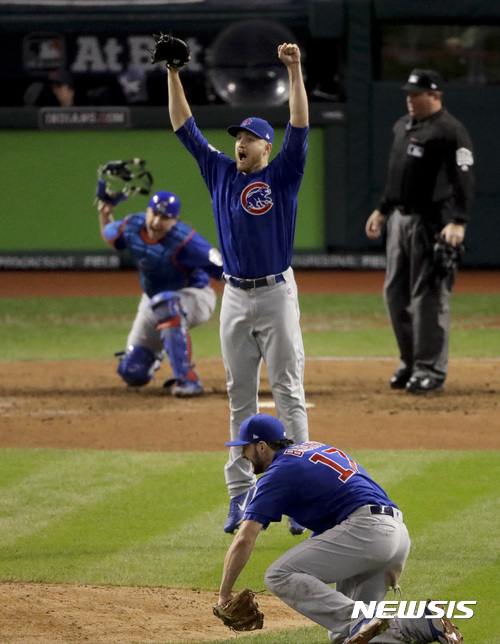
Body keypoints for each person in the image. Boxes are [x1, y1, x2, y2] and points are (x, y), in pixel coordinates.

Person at [167, 42, 310, 532]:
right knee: (239, 397)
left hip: (275, 294)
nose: (240, 142)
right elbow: (184, 127)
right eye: (238, 136)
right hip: (234, 295)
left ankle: (298, 494)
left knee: (289, 392)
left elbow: (299, 124)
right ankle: (239, 496)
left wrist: (293, 69)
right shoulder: (220, 173)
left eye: (250, 137)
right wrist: (172, 72)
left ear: (266, 147)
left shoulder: (284, 174)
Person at [217, 413, 463, 644]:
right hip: (395, 534)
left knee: (278, 574)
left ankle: (371, 619)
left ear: (261, 446)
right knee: (348, 634)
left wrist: (225, 594)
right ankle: (425, 623)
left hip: (367, 532)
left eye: (244, 448)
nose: (242, 455)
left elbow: (244, 538)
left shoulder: (278, 473)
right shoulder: (314, 448)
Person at [365, 69, 474, 395]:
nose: (410, 99)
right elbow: (397, 175)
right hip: (400, 219)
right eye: (408, 94)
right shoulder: (403, 125)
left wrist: (458, 220)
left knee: (427, 297)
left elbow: (464, 177)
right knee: (395, 295)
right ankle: (411, 361)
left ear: (435, 95)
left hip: (431, 221)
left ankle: (430, 369)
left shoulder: (450, 131)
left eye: (417, 94)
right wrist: (383, 209)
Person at [96, 186, 223, 397]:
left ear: (175, 220)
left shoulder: (187, 241)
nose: (156, 222)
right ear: (147, 211)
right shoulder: (131, 226)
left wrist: (242, 306)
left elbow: (224, 271)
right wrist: (105, 213)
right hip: (153, 299)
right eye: (154, 214)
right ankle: (160, 352)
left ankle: (188, 379)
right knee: (132, 371)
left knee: (166, 303)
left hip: (196, 296)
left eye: (165, 218)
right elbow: (111, 240)